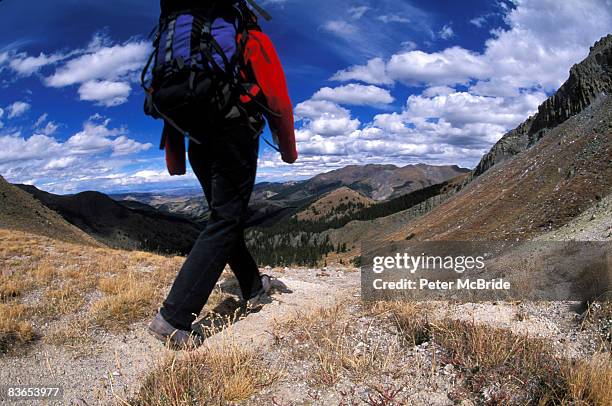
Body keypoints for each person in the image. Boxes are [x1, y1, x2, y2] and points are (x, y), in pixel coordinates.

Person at [148, 0, 297, 349]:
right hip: (235, 131)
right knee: (226, 220)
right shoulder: (247, 33)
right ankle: (173, 318)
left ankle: (252, 288)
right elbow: (277, 96)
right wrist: (288, 150)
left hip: (197, 140)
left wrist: (176, 159)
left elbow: (176, 104)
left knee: (225, 216)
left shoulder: (181, 49)